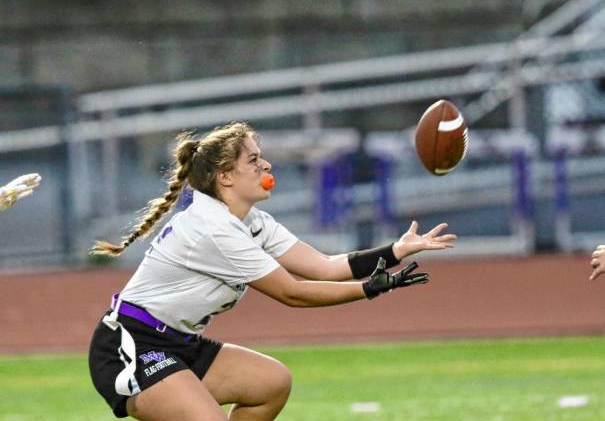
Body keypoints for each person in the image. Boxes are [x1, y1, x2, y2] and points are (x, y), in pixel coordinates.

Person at [88, 122, 457, 421]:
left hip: (178, 344)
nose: (265, 166)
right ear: (225, 177)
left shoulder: (250, 220)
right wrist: (371, 289)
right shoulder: (213, 228)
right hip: (132, 346)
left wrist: (395, 251)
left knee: (270, 383)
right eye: (254, 160)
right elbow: (291, 293)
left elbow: (323, 267)